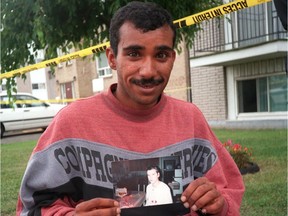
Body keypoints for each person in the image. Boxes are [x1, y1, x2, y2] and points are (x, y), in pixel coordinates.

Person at [16, 1, 245, 216]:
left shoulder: (190, 119)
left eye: (161, 55)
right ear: (112, 58)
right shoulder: (71, 123)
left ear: (173, 58)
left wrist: (220, 204)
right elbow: (32, 205)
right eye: (134, 54)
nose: (148, 70)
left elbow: (228, 192)